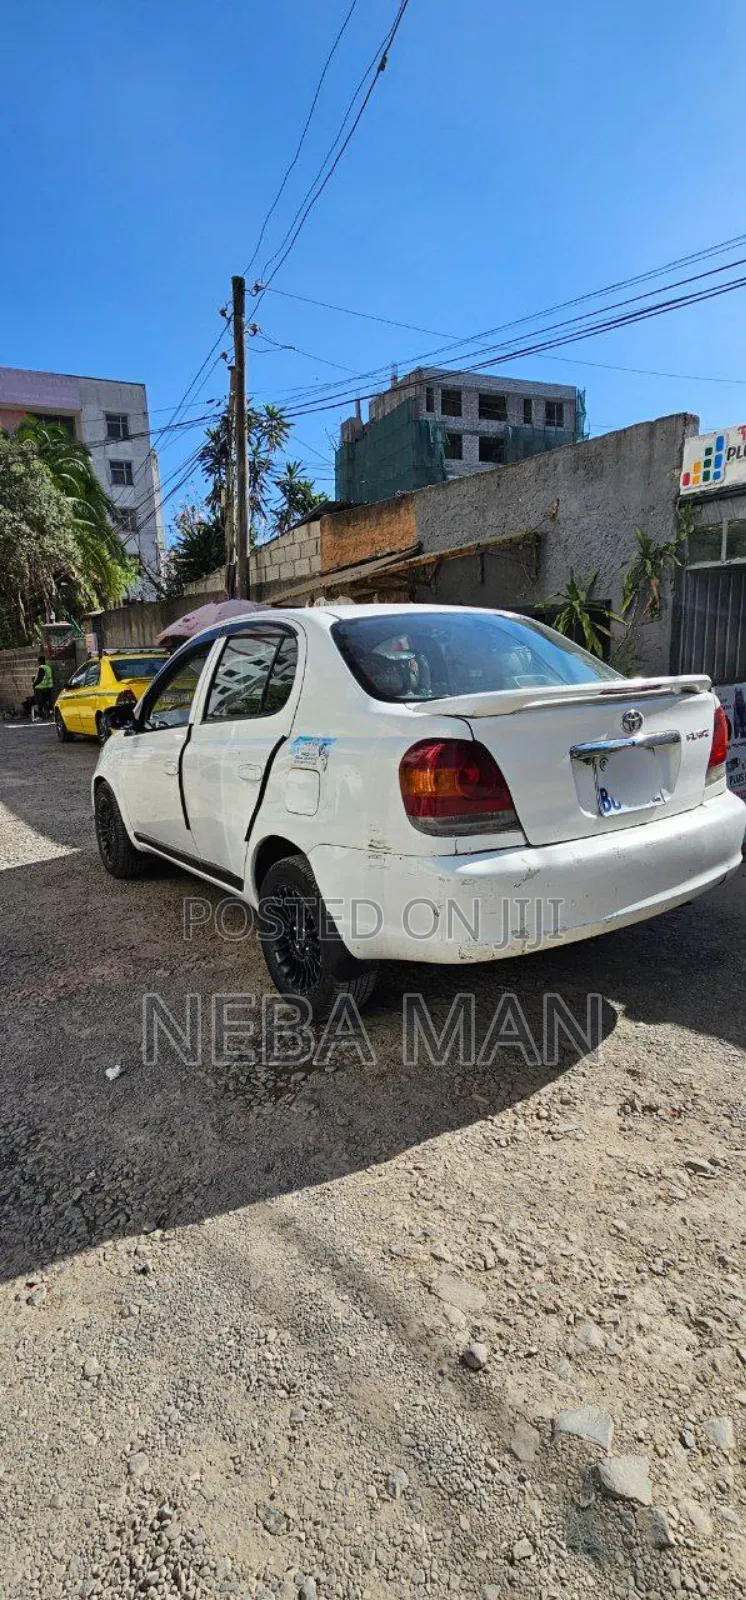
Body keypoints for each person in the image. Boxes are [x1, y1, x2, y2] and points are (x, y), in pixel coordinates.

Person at [26, 655, 54, 720]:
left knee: (39, 702)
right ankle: (51, 713)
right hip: (48, 687)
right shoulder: (48, 667)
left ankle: (40, 716)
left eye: (38, 661)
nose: (38, 663)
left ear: (40, 661)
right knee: (48, 701)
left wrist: (34, 684)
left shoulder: (41, 667)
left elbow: (40, 678)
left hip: (40, 688)